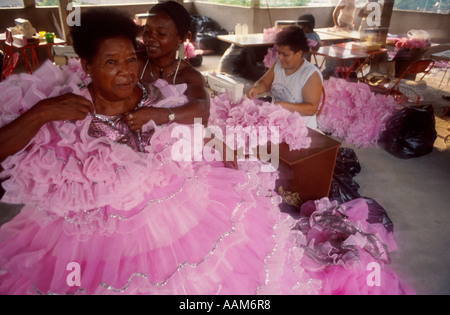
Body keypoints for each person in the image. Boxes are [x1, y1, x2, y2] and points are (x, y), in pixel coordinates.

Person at [0, 3, 413, 296]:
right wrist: (41, 113)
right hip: (95, 238)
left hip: (176, 217)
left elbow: (199, 109)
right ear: (85, 65)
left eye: (130, 59)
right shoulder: (63, 107)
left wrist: (161, 117)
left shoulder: (158, 92)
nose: (126, 71)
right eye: (111, 63)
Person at [247, 26, 323, 130]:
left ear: (299, 53)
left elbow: (311, 108)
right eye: (279, 53)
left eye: (285, 54)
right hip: (278, 123)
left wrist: (284, 106)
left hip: (301, 130)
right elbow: (264, 83)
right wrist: (257, 89)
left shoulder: (310, 74)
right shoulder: (278, 65)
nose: (280, 57)